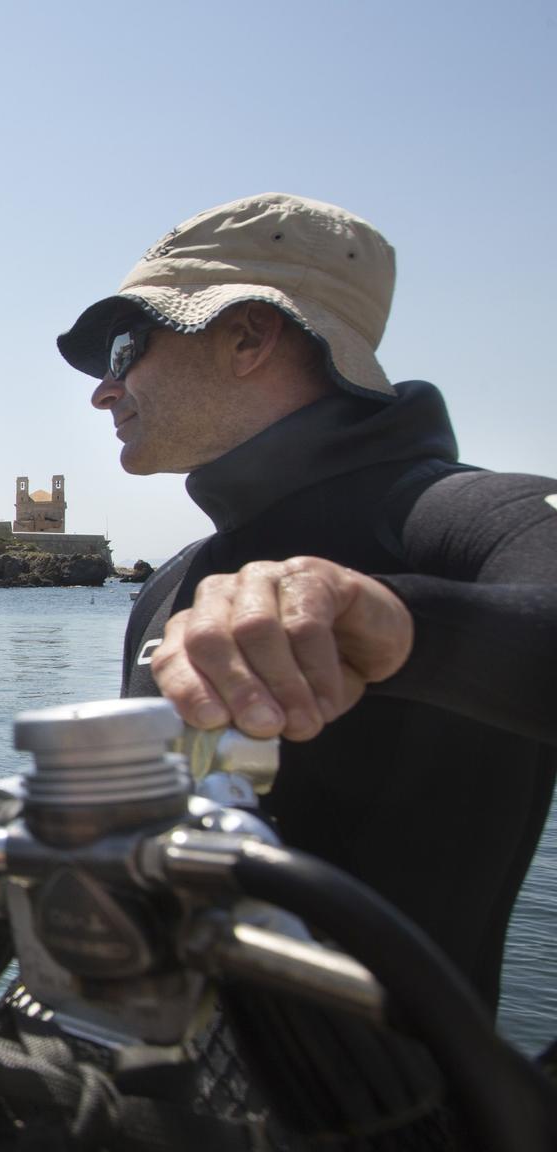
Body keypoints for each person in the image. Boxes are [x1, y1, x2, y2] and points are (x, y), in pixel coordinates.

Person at [56, 192, 557, 1009]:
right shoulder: (170, 587)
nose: (103, 392)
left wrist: (396, 625)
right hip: (135, 1096)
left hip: (384, 1127)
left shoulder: (474, 522)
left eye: (125, 349)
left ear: (249, 334)